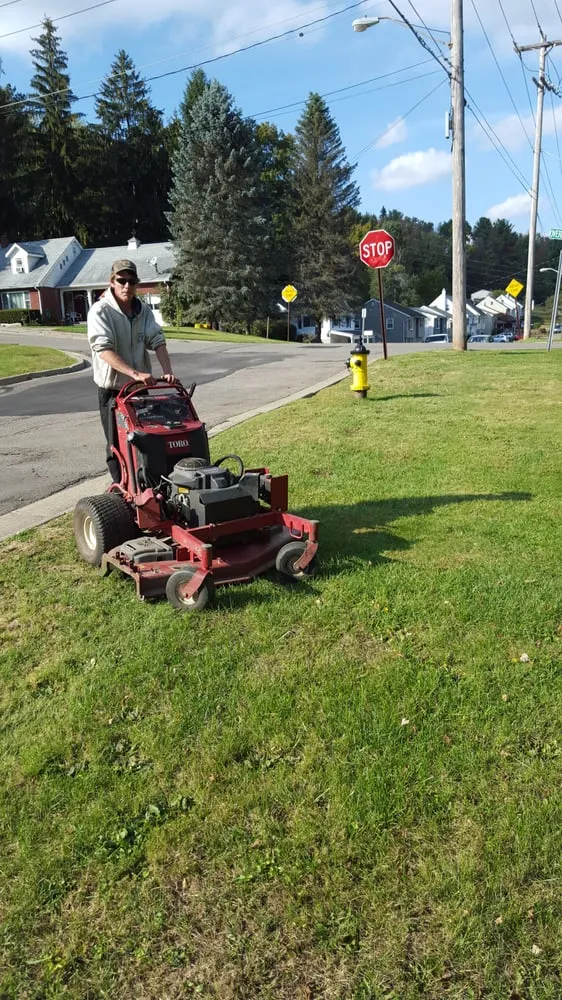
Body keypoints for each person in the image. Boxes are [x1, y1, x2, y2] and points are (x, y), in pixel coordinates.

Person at [87, 258, 176, 481]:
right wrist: (135, 373)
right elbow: (103, 349)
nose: (127, 286)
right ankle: (122, 490)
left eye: (132, 281)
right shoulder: (100, 311)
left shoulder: (142, 311)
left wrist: (168, 371)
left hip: (138, 391)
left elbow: (157, 339)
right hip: (113, 391)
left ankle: (150, 485)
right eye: (121, 280)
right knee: (116, 444)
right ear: (112, 281)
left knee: (147, 440)